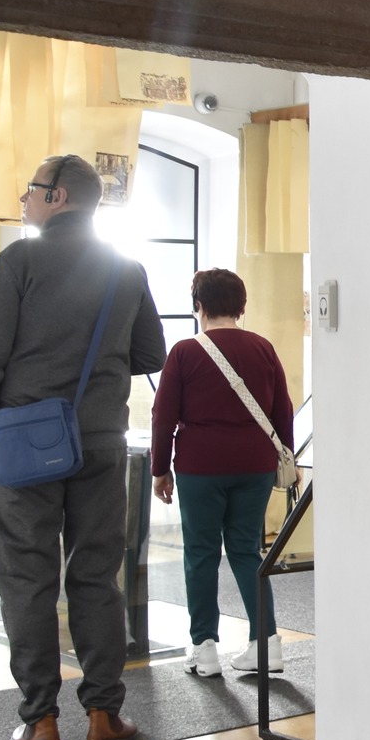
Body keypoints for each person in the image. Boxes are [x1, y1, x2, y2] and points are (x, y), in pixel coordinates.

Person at [0, 153, 167, 740]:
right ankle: (104, 715)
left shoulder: (19, 261)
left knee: (27, 579)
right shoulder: (126, 268)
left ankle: (41, 722)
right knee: (97, 575)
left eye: (31, 190)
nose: (24, 200)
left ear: (57, 196)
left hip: (24, 444)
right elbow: (151, 354)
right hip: (100, 441)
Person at [149, 268, 294, 678]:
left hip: (201, 466)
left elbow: (163, 416)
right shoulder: (263, 348)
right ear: (242, 307)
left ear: (199, 306)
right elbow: (282, 411)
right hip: (256, 464)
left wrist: (160, 469)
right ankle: (266, 644)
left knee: (201, 553)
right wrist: (285, 458)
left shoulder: (185, 352)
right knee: (247, 551)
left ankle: (204, 648)